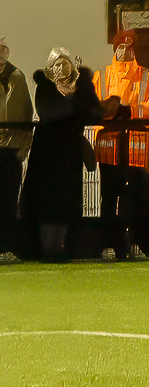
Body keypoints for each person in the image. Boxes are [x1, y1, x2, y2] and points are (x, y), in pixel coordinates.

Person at [24, 48, 101, 263]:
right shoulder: (45, 88)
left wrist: (81, 96)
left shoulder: (79, 88)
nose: (61, 68)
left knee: (68, 201)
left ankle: (67, 247)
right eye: (57, 64)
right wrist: (78, 104)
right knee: (49, 202)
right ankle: (48, 248)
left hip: (70, 155)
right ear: (50, 67)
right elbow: (51, 113)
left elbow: (96, 113)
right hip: (48, 155)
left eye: (65, 63)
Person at [92, 30, 149, 260]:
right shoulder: (101, 76)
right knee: (108, 198)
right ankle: (108, 245)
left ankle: (130, 244)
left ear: (134, 50)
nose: (124, 51)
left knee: (132, 199)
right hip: (108, 146)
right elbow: (92, 108)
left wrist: (129, 111)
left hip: (135, 147)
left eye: (129, 47)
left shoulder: (148, 77)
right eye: (120, 47)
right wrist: (111, 112)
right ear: (115, 50)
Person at [0, 39, 30, 263]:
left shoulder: (16, 77)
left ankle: (5, 244)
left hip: (9, 149)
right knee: (8, 199)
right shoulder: (16, 77)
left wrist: (20, 146)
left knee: (8, 199)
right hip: (10, 149)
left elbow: (21, 114)